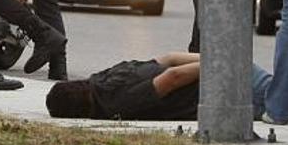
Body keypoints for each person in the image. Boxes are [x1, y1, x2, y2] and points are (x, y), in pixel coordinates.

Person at [45, 53, 271, 121]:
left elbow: (173, 77)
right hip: (232, 75)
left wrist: (224, 63)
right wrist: (221, 54)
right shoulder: (103, 78)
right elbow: (170, 59)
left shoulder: (117, 103)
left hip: (231, 92)